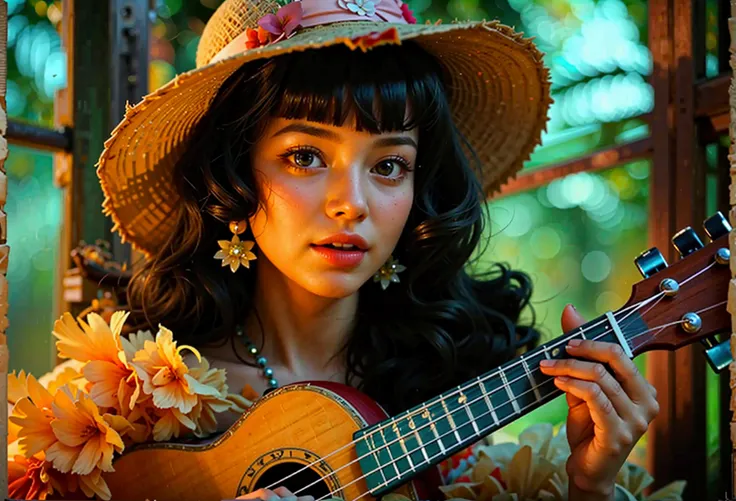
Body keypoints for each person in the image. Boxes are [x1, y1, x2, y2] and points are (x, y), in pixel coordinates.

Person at [94, 0, 660, 499]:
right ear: (232, 176)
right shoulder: (130, 397)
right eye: (304, 156)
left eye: (389, 166)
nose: (352, 204)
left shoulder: (446, 393)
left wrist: (590, 487)